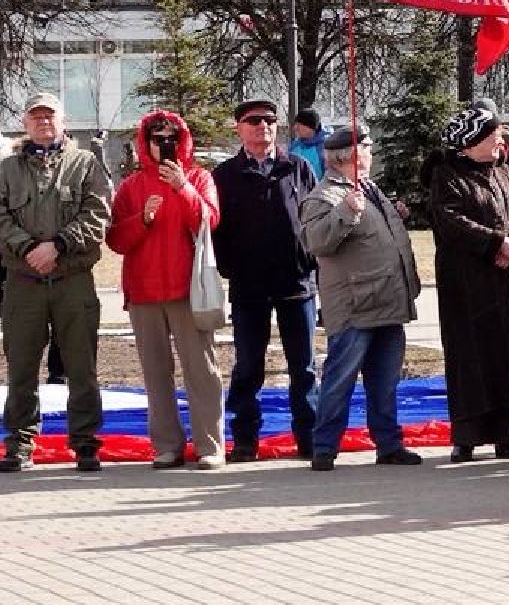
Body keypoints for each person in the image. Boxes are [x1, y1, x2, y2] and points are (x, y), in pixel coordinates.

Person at [0, 93, 112, 472]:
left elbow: (98, 213)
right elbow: (0, 218)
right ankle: (20, 442)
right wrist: (30, 248)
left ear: (63, 121)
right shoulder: (7, 169)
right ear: (25, 123)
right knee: (22, 367)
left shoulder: (85, 164)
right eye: (36, 117)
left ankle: (84, 442)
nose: (43, 123)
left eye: (50, 116)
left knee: (82, 366)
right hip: (23, 280)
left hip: (73, 279)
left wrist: (59, 245)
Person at [107, 110, 225, 470]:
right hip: (144, 292)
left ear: (182, 140)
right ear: (146, 143)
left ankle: (210, 446)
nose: (164, 144)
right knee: (156, 373)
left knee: (201, 370)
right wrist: (141, 219)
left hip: (188, 290)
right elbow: (116, 241)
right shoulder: (130, 187)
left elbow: (209, 220)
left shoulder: (199, 177)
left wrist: (182, 188)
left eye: (170, 137)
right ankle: (167, 446)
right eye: (157, 139)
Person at [302, 128, 423, 470]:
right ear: (347, 157)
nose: (372, 154)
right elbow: (316, 243)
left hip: (388, 301)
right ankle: (324, 447)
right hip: (356, 306)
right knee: (340, 379)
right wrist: (345, 212)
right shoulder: (323, 196)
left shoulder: (371, 188)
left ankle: (389, 445)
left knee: (385, 381)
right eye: (367, 149)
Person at [430, 102, 509, 463]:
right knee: (469, 358)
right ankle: (466, 436)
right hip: (466, 287)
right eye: (493, 134)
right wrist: (496, 243)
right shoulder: (447, 175)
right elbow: (451, 221)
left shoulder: (508, 174)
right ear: (471, 141)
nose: (500, 140)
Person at [210, 98, 319, 461]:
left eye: (270, 121)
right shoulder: (224, 176)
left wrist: (309, 262)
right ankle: (245, 440)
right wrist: (231, 268)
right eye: (253, 121)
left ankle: (310, 438)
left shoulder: (298, 167)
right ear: (238, 128)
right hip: (249, 287)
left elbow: (316, 219)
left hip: (296, 284)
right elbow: (216, 232)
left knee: (303, 367)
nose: (263, 127)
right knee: (248, 365)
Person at [289, 108, 328, 181]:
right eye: (295, 124)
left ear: (310, 127)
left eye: (299, 125)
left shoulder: (326, 147)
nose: (295, 128)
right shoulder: (295, 145)